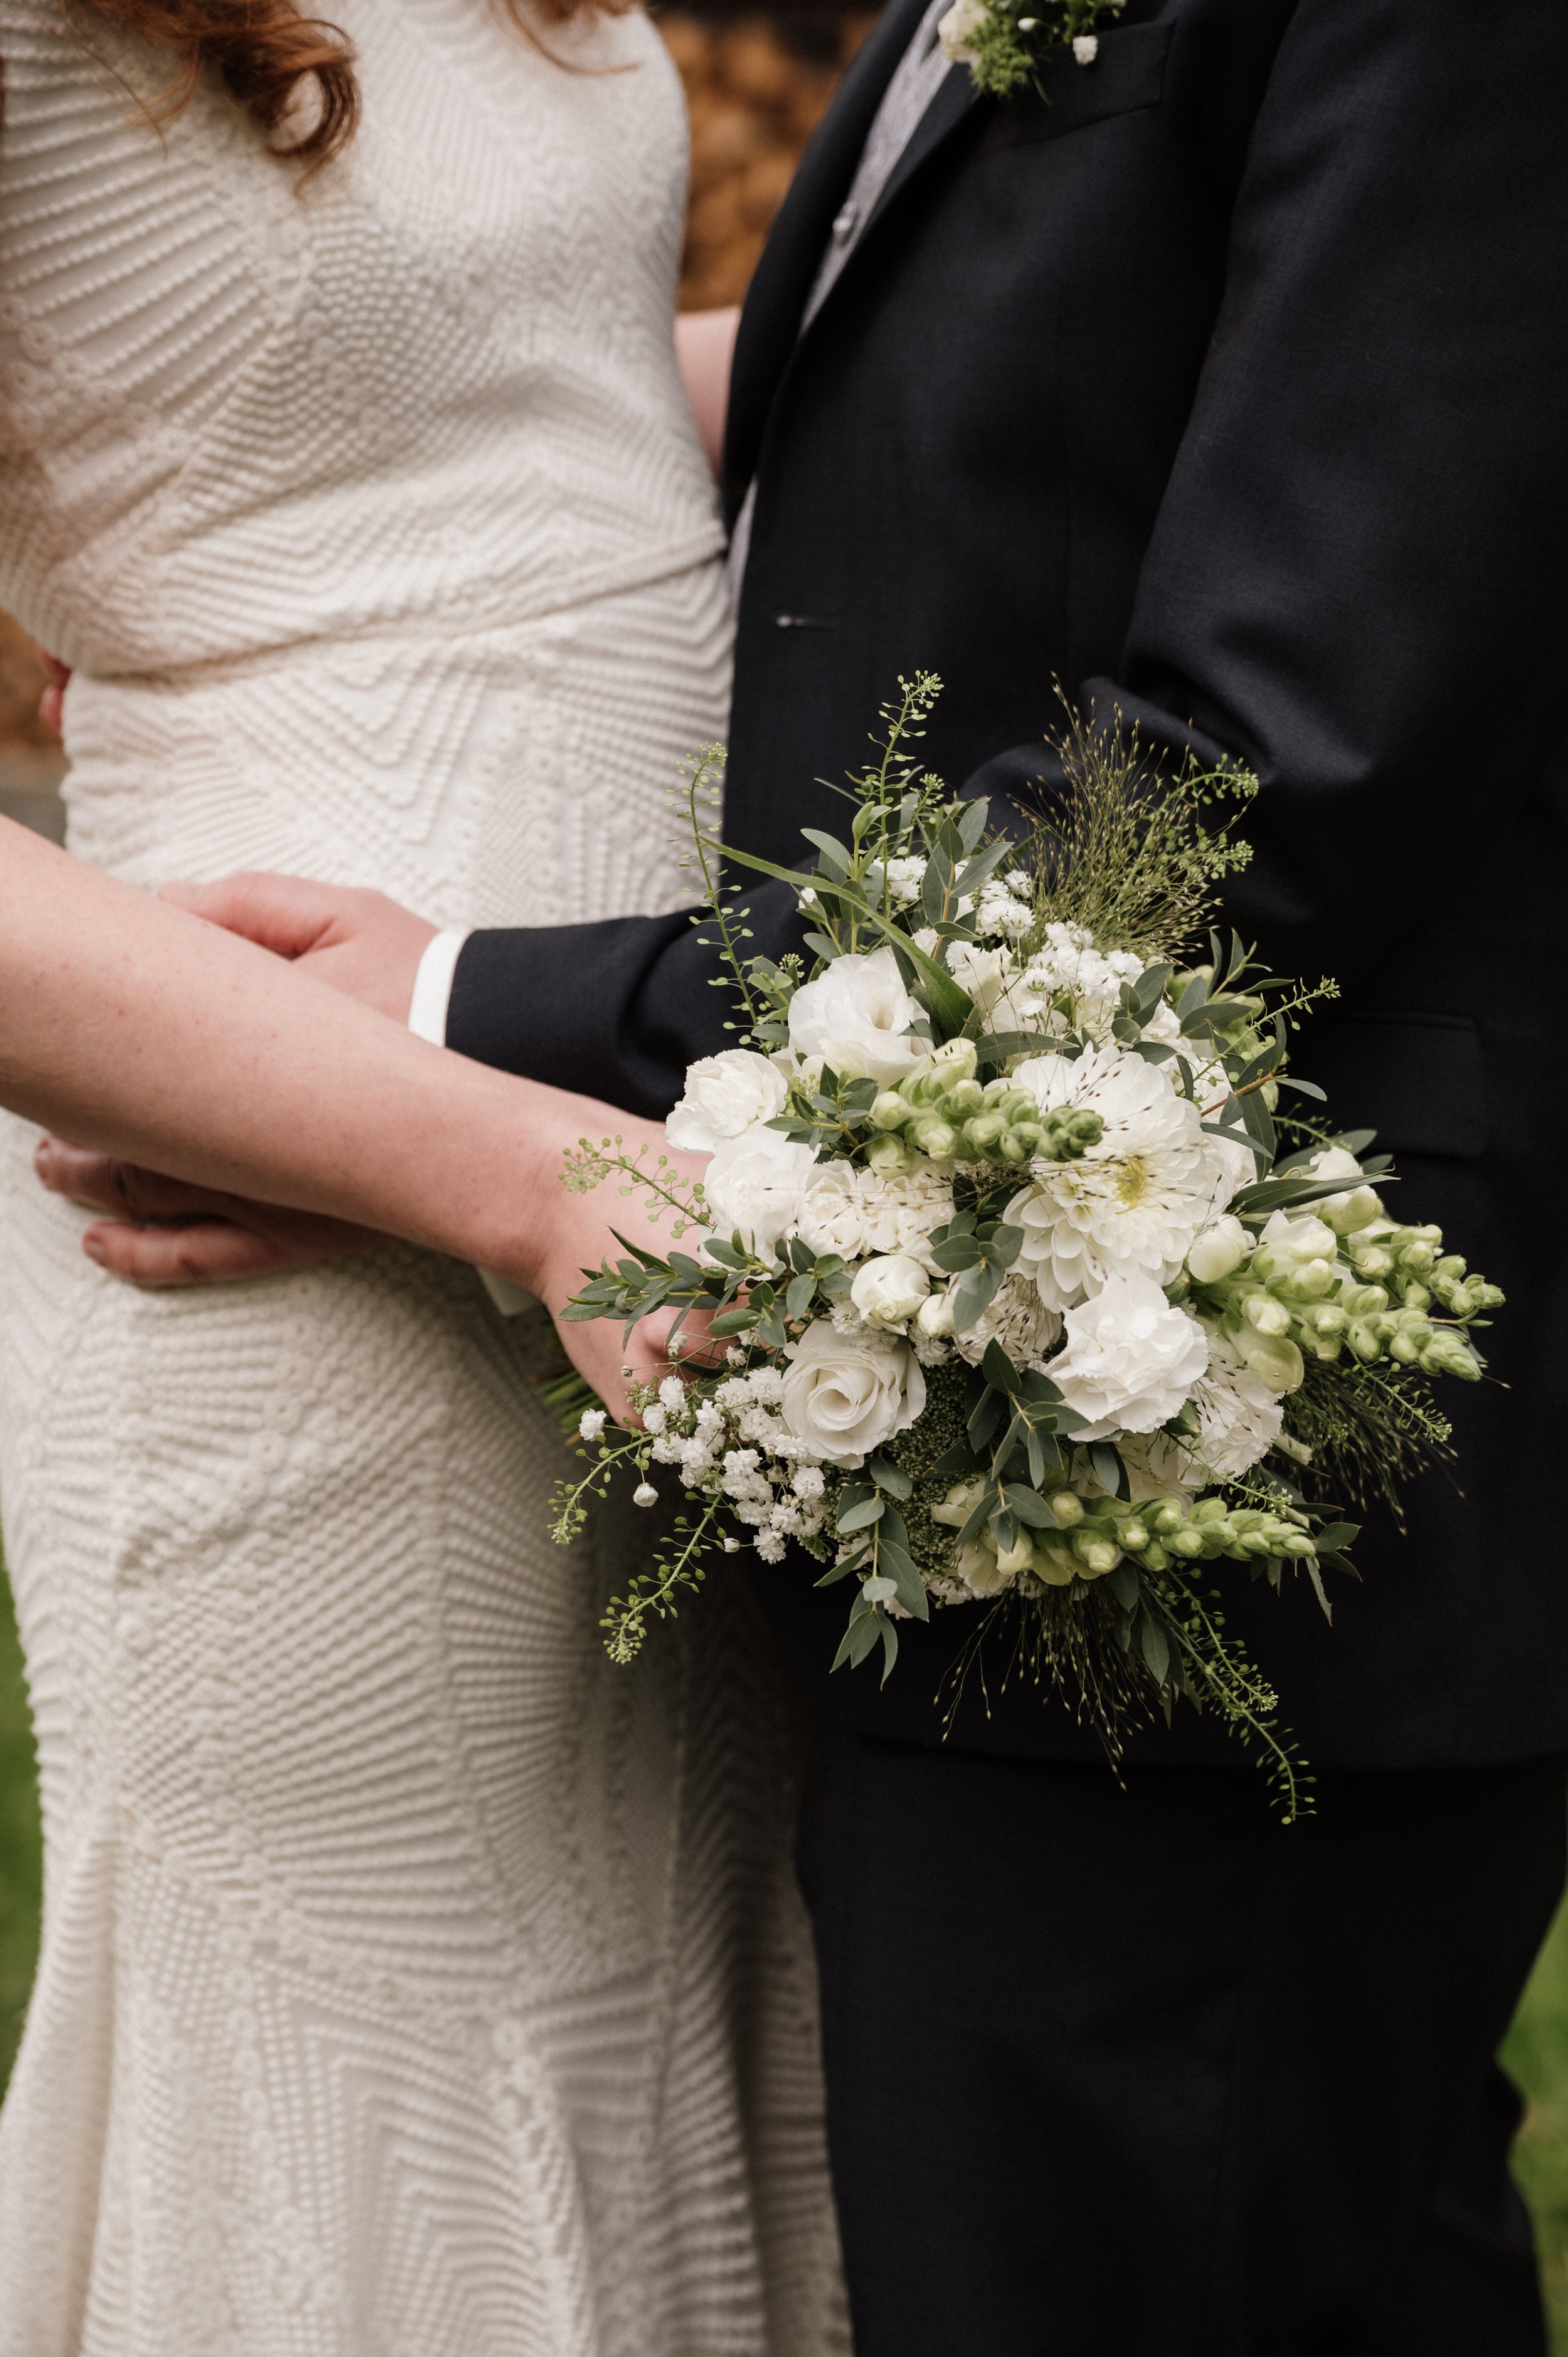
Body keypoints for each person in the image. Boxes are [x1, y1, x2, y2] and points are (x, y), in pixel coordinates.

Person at [41, 0, 1568, 2348]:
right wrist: (460, 1127)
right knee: (415, 2096)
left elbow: (1285, 680)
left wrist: (520, 1062)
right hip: (368, 1189)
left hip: (771, 1242)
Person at [0, 0, 846, 2344]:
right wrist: (511, 1171)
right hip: (333, 1219)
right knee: (402, 2135)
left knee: (678, 2067)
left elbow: (521, 396)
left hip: (680, 1116)